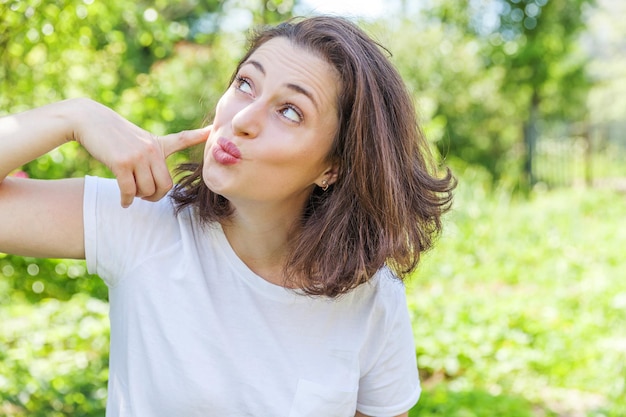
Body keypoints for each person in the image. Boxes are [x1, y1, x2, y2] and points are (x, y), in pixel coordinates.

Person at [0, 15, 455, 417]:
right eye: (245, 85)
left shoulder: (372, 295)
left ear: (332, 167)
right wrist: (72, 116)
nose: (243, 119)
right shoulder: (141, 219)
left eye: (290, 111)